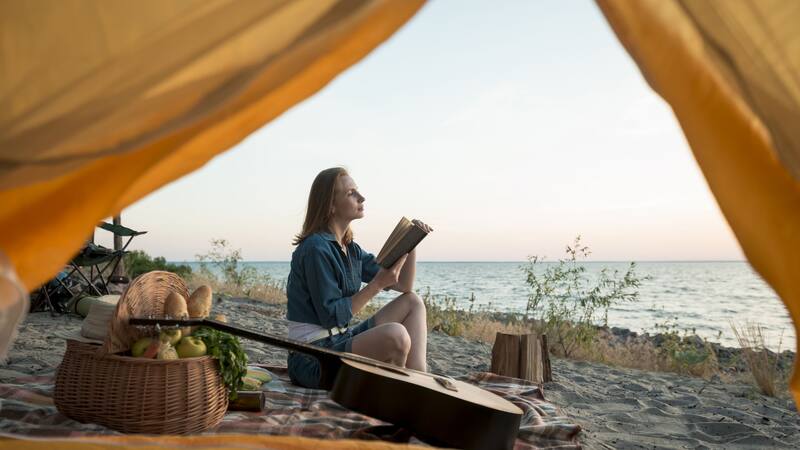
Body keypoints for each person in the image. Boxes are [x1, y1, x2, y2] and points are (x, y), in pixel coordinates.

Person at [286, 167, 432, 389]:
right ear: (331, 205)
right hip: (312, 358)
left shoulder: (351, 249)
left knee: (413, 302)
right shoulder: (316, 249)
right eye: (350, 193)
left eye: (357, 191)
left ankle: (420, 383)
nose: (361, 197)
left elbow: (404, 285)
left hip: (340, 340)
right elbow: (332, 317)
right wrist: (377, 284)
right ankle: (401, 392)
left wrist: (411, 242)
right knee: (396, 335)